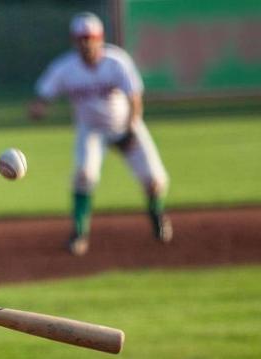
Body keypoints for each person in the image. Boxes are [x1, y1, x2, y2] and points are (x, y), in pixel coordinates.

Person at [28, 11, 172, 256]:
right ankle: (79, 234)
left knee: (155, 181)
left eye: (90, 37)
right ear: (74, 41)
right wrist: (38, 108)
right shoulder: (66, 67)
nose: (86, 42)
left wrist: (129, 128)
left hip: (126, 125)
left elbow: (135, 99)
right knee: (84, 175)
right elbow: (43, 95)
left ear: (99, 38)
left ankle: (157, 215)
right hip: (91, 130)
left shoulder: (116, 62)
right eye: (81, 38)